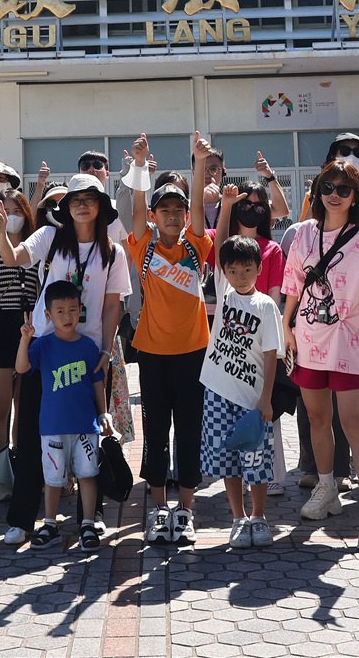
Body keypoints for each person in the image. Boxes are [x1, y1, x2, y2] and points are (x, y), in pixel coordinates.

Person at [0, 172, 134, 545]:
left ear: (101, 207)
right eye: (76, 200)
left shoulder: (113, 252)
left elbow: (112, 306)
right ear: (66, 207)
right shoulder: (50, 237)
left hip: (88, 354)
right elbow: (13, 257)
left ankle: (92, 516)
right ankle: (23, 519)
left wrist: (105, 351)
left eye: (90, 199)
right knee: (31, 434)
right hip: (47, 346)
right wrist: (2, 232)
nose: (82, 205)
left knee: (91, 435)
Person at [282, 158, 359, 551]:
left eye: (344, 189)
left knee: (354, 424)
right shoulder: (304, 233)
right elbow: (293, 285)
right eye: (328, 187)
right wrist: (287, 326)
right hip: (309, 338)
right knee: (316, 418)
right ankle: (326, 487)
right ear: (317, 192)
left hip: (350, 342)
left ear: (356, 196)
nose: (335, 195)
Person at [126, 143, 216, 545]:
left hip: (194, 353)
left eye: (179, 210)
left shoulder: (195, 244)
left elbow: (197, 205)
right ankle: (159, 509)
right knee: (157, 434)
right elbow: (136, 206)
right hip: (151, 355)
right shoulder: (143, 246)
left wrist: (199, 163)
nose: (174, 215)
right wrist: (139, 166)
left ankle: (186, 511)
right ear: (154, 216)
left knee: (190, 433)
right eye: (165, 210)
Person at [199, 237, 285, 547]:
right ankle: (238, 518)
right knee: (227, 461)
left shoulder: (266, 306)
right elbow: (220, 237)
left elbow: (272, 354)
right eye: (233, 270)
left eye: (247, 269)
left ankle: (259, 517)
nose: (240, 276)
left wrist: (266, 399)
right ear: (223, 272)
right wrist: (225, 209)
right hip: (218, 394)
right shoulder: (224, 294)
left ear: (259, 269)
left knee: (257, 461)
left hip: (253, 399)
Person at [15, 281, 111, 549]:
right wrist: (25, 339)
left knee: (87, 475)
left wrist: (103, 414)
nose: (67, 316)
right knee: (53, 479)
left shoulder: (89, 346)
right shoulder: (43, 345)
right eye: (60, 311)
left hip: (85, 426)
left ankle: (88, 524)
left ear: (80, 310)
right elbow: (21, 368)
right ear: (48, 315)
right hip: (52, 426)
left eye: (72, 310)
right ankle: (50, 523)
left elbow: (97, 383)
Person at [223, 180, 291, 494]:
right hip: (228, 339)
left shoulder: (272, 249)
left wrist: (271, 337)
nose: (251, 210)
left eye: (258, 205)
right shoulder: (223, 243)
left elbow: (275, 296)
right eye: (245, 204)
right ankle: (236, 474)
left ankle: (272, 474)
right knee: (231, 409)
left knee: (266, 405)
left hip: (261, 337)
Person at [0, 186, 42, 497]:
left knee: (25, 404)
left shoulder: (35, 245)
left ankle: (22, 466)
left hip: (30, 324)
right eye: (6, 211)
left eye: (17, 211)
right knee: (0, 405)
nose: (11, 216)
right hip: (2, 324)